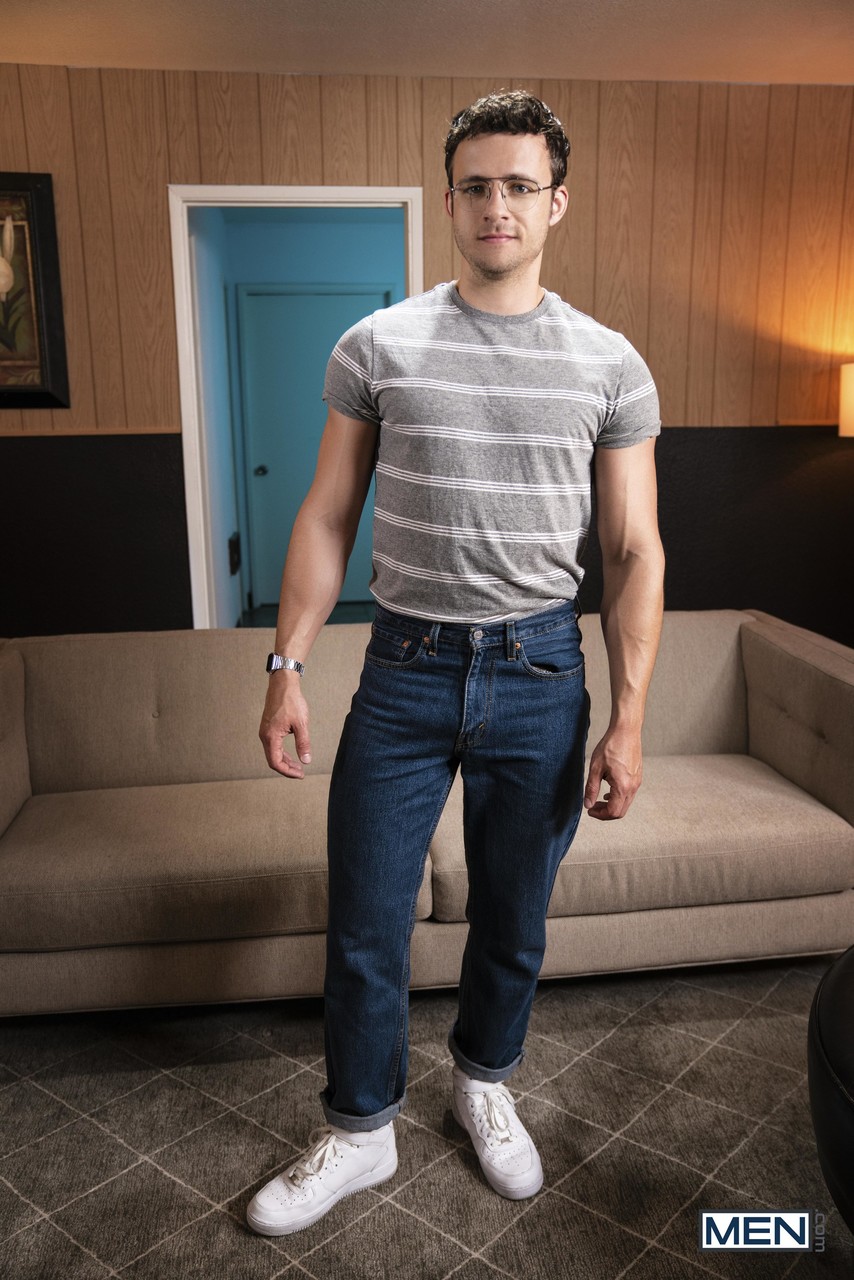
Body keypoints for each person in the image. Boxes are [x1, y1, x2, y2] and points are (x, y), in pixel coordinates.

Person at [248, 89, 664, 1237]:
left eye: (519, 185)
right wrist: (285, 663)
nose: (496, 205)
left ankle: (482, 1081)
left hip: (540, 672)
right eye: (475, 185)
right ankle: (360, 1126)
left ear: (554, 202)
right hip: (403, 667)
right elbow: (326, 513)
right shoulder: (376, 344)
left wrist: (628, 718)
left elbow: (631, 548)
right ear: (448, 200)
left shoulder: (608, 362)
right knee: (365, 919)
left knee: (512, 917)